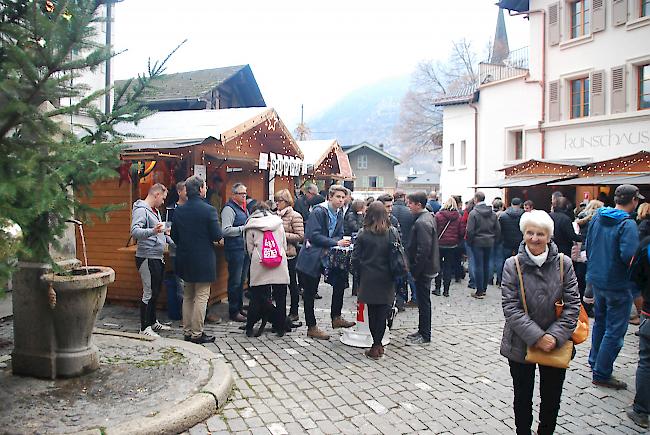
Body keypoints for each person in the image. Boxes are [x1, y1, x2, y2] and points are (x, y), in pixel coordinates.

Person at [500, 210, 580, 435]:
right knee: (522, 396)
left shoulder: (564, 263)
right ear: (523, 234)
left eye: (540, 234)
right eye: (530, 233)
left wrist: (553, 336)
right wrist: (538, 336)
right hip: (520, 342)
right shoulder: (512, 265)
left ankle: (546, 431)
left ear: (549, 236)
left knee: (552, 396)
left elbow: (573, 304)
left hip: (557, 342)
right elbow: (511, 307)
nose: (535, 238)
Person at [586, 184, 643, 389]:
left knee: (600, 322)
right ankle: (601, 372)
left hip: (598, 279)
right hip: (618, 284)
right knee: (615, 330)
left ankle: (595, 361)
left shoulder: (598, 217)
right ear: (634, 200)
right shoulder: (627, 225)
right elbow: (630, 257)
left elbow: (589, 245)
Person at [296, 185, 356, 340]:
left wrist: (337, 242)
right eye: (338, 197)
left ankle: (336, 317)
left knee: (340, 282)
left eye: (343, 197)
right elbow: (312, 235)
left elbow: (340, 234)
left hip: (329, 254)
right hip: (313, 255)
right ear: (330, 197)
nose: (341, 200)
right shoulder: (319, 211)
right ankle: (311, 326)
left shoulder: (340, 213)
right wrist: (334, 242)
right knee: (310, 291)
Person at [171, 176, 223, 344]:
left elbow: (174, 236)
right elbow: (217, 235)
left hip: (185, 258)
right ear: (200, 189)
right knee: (201, 297)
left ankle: (187, 331)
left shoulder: (179, 210)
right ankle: (197, 333)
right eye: (205, 187)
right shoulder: (209, 210)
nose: (206, 189)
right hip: (203, 259)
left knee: (187, 296)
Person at [351, 201, 397, 359]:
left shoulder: (363, 233)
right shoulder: (392, 232)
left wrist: (357, 275)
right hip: (387, 277)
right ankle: (378, 344)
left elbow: (355, 258)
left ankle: (375, 345)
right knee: (383, 312)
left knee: (372, 313)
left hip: (369, 277)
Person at [130, 183, 173, 337]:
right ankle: (144, 328)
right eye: (163, 198)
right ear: (156, 195)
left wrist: (168, 236)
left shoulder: (155, 211)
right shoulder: (142, 210)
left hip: (157, 256)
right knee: (148, 292)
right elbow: (135, 231)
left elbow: (160, 233)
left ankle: (153, 321)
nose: (163, 202)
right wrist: (153, 231)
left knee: (155, 291)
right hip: (147, 257)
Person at [244, 202, 290, 336]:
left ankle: (249, 327)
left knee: (256, 297)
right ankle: (280, 327)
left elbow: (250, 249)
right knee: (281, 298)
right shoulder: (278, 223)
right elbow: (284, 244)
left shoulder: (251, 226)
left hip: (260, 264)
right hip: (279, 263)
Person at [405, 191, 440, 346]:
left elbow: (423, 249)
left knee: (424, 302)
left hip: (424, 269)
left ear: (418, 204)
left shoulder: (422, 222)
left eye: (410, 203)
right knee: (423, 301)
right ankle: (422, 330)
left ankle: (425, 334)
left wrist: (415, 270)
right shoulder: (427, 217)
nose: (408, 206)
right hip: (427, 267)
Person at [627, 234, 650, 429]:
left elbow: (634, 276)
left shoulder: (646, 245)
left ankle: (641, 410)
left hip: (649, 313)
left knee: (647, 362)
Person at [274, 189, 304, 324]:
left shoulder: (295, 216)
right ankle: (279, 313)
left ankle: (294, 311)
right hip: (277, 254)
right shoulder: (275, 215)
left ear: (286, 202)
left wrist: (281, 235)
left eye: (279, 201)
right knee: (278, 285)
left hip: (290, 254)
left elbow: (300, 236)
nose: (276, 203)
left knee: (292, 284)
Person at [222, 183, 250, 322]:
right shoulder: (229, 209)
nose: (244, 196)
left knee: (241, 281)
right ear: (234, 195)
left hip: (243, 250)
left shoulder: (243, 208)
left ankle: (239, 307)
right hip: (234, 250)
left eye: (245, 193)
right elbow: (225, 230)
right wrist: (243, 229)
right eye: (241, 193)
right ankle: (233, 310)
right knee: (235, 281)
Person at [466, 191, 501, 299]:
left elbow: (470, 230)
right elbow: (498, 229)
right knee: (486, 265)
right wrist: (495, 240)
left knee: (478, 266)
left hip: (477, 242)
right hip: (489, 241)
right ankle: (484, 289)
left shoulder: (473, 213)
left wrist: (470, 242)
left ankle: (479, 291)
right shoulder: (492, 213)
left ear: (476, 199)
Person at [434, 197, 464, 297]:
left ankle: (437, 288)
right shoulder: (458, 216)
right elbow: (461, 232)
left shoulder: (438, 215)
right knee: (448, 267)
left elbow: (434, 229)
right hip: (452, 245)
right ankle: (446, 290)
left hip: (439, 244)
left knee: (438, 266)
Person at [392, 190, 417, 307]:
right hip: (407, 245)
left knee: (395, 273)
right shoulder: (410, 211)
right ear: (404, 197)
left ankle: (397, 299)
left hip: (392, 245)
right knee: (408, 272)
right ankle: (414, 297)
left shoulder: (389, 210)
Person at [499, 197, 525, 269]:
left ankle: (503, 278)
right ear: (520, 205)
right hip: (520, 243)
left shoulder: (503, 216)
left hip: (506, 242)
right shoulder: (524, 216)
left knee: (505, 262)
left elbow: (500, 230)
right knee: (520, 263)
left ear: (511, 204)